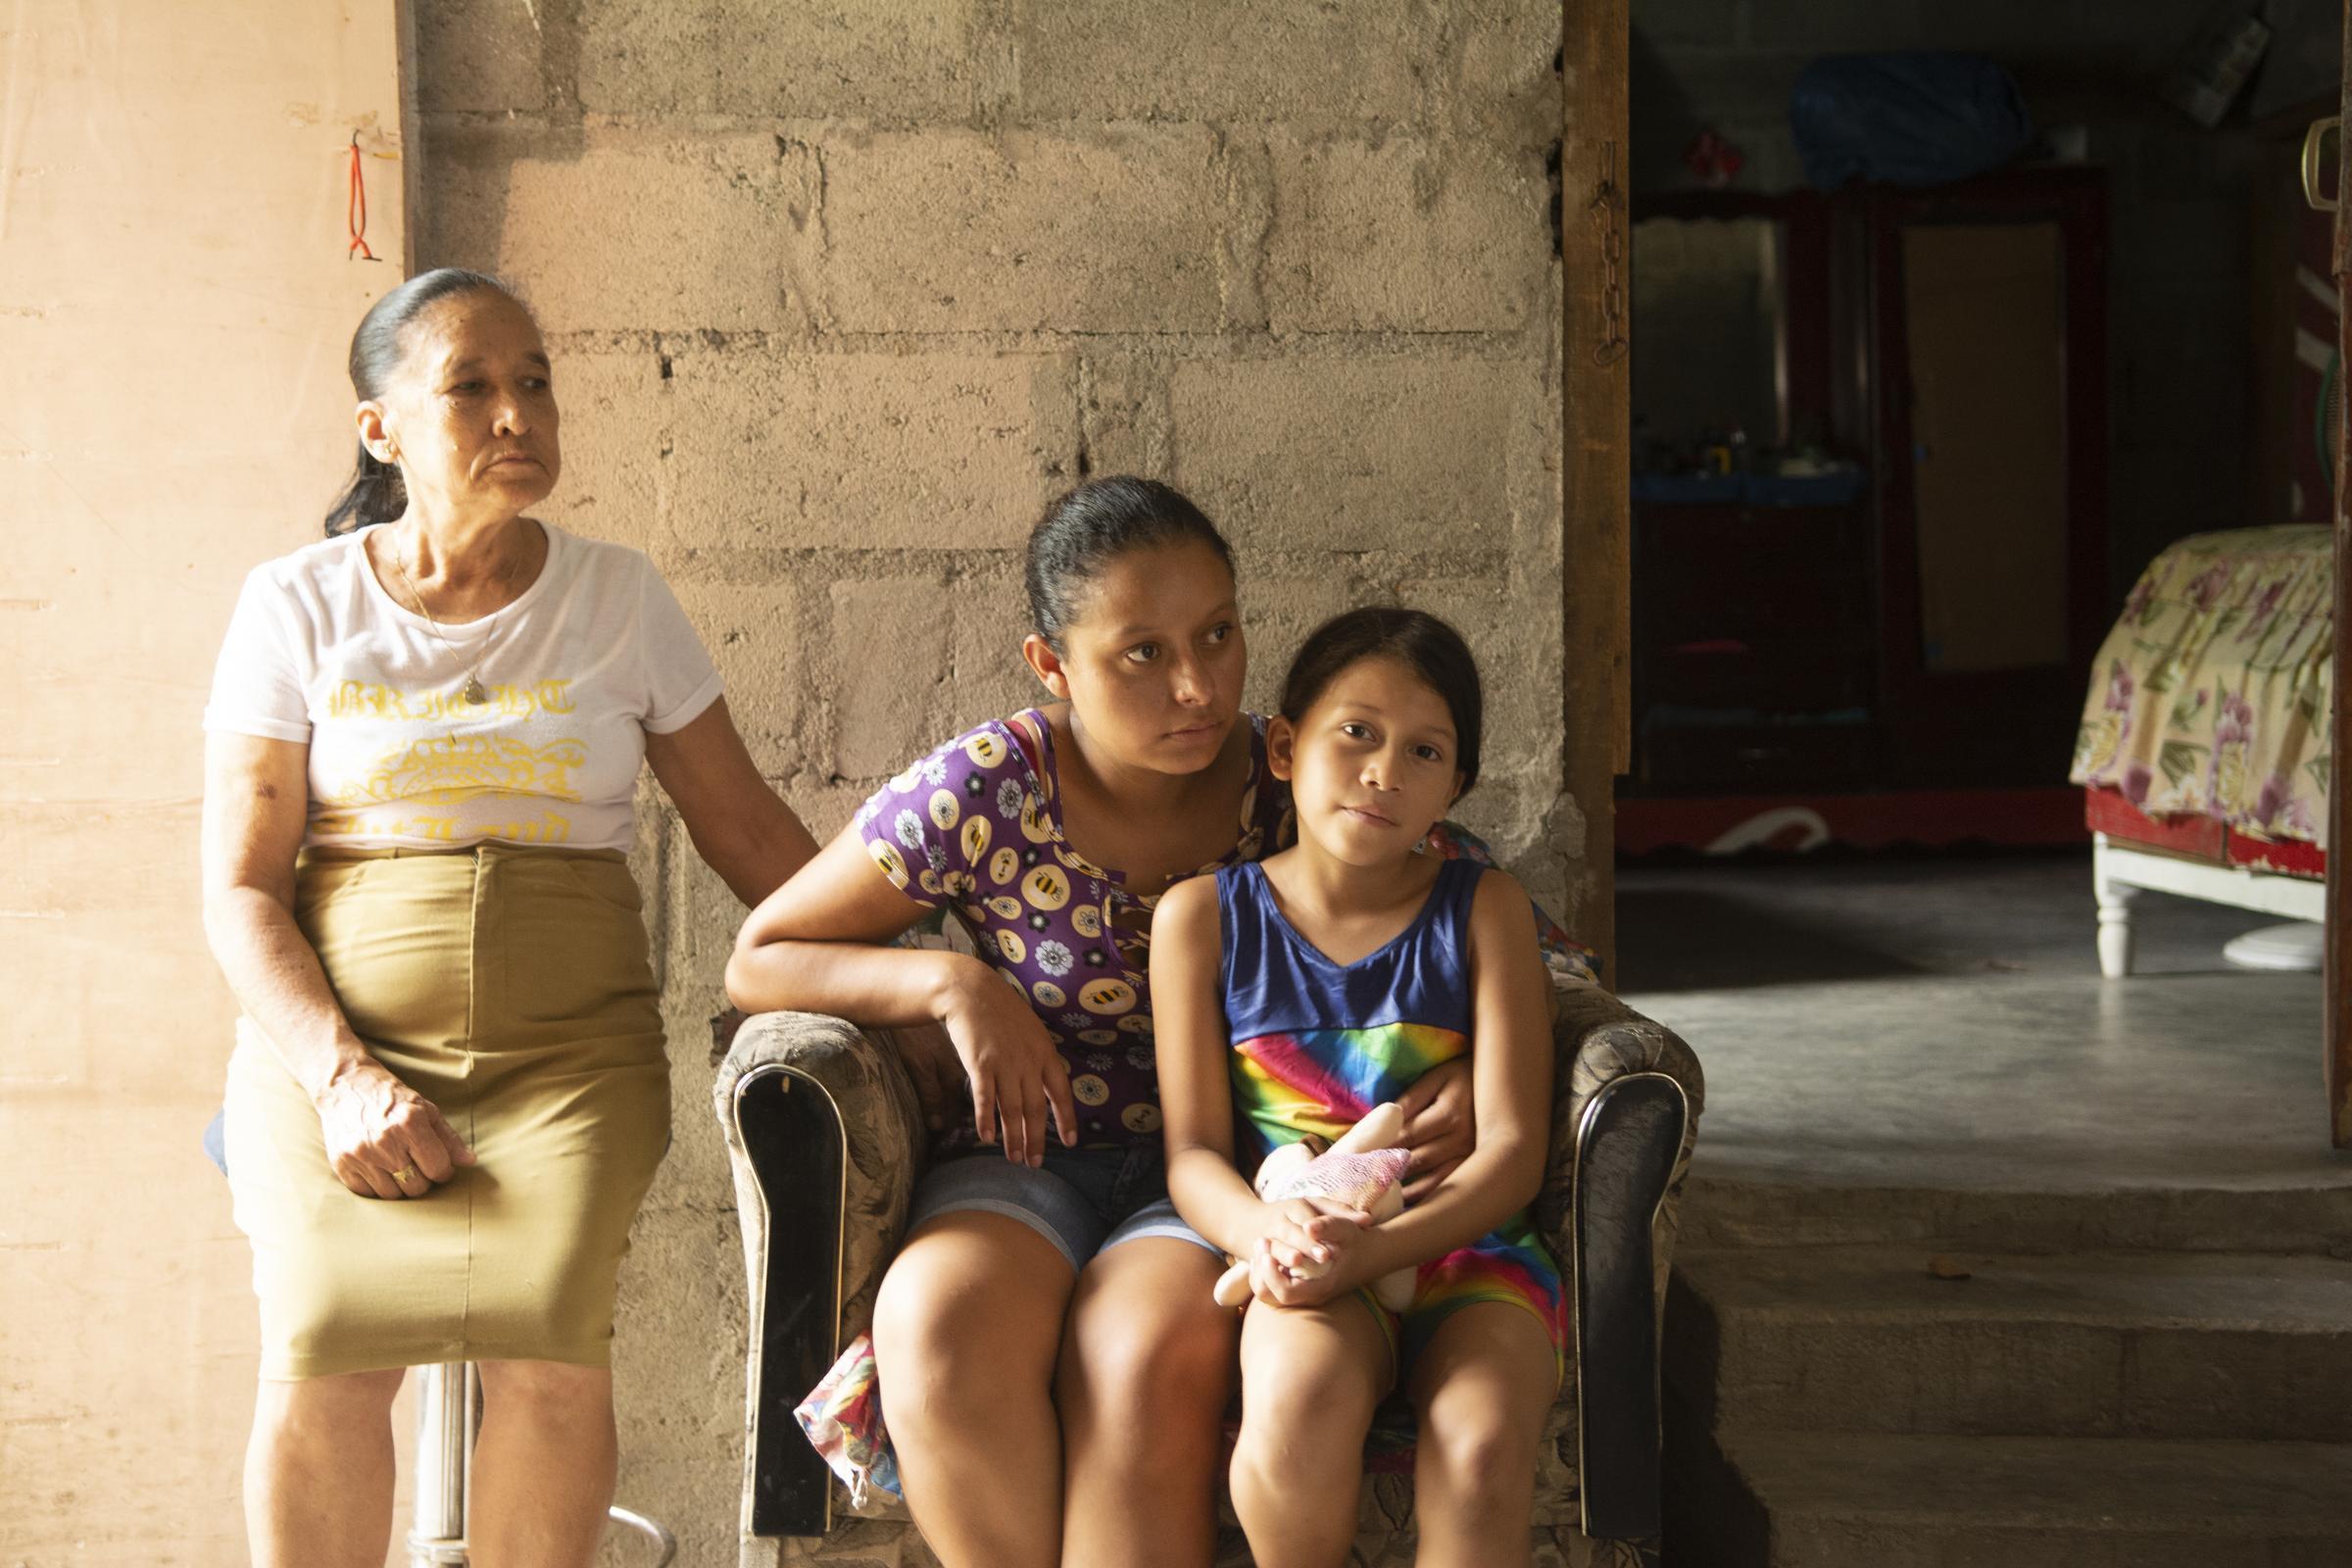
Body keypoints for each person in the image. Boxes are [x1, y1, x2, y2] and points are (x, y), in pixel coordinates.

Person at [725, 478, 1480, 1567]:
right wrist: (954, 987)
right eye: (1143, 652)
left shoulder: (1291, 776)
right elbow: (764, 953)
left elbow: (1488, 924)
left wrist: (1484, 1065)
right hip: (1026, 1160)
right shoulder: (989, 789)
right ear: (1052, 665)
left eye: (1218, 634)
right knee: (932, 1332)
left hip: (1228, 1171)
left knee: (1138, 1352)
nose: (1197, 684)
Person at [202, 268, 819, 1568]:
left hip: (569, 1060)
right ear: (383, 429)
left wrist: (914, 974)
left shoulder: (618, 597)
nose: (516, 412)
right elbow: (242, 887)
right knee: (320, 1342)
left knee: (546, 1341)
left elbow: (748, 831)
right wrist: (340, 1077)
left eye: (533, 380)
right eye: (470, 386)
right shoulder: (295, 604)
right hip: (338, 1055)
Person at [1152, 607, 1564, 1568]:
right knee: (1290, 1415)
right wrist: (1272, 1237)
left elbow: (1511, 1150)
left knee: (1482, 1440)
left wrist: (1381, 1243)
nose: (1385, 771)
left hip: (1468, 1245)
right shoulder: (1204, 921)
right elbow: (1195, 1153)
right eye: (1358, 733)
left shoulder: (1484, 909)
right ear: (1288, 748)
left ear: (1453, 789)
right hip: (1304, 1239)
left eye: (1425, 751)